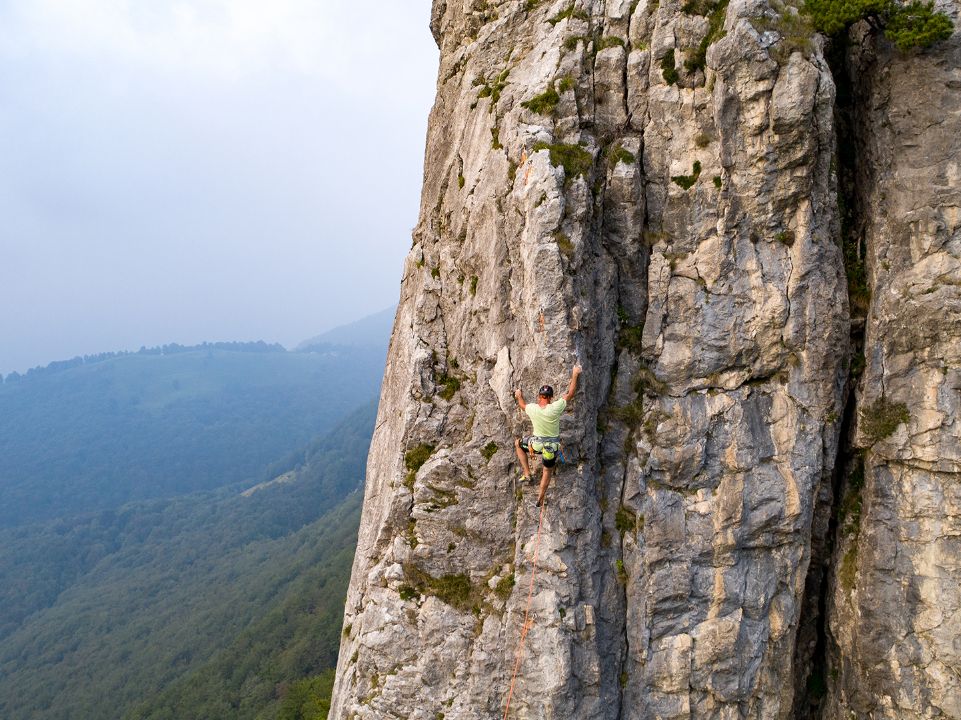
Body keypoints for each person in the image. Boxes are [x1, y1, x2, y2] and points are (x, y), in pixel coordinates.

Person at [514, 364, 582, 507]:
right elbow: (570, 393)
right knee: (547, 470)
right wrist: (575, 374)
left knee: (518, 444)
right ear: (550, 397)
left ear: (539, 396)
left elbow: (522, 405)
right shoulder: (555, 407)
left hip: (535, 445)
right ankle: (540, 496)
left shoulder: (532, 408)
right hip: (551, 448)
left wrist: (519, 395)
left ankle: (527, 473)